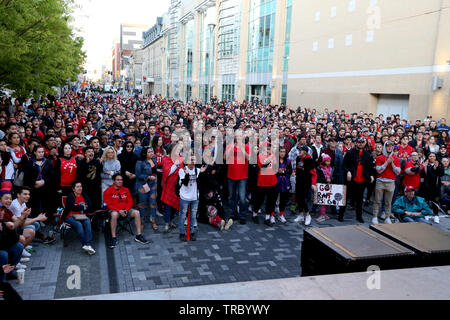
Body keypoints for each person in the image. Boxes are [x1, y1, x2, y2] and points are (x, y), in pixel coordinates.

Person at [104, 174, 149, 248]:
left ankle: (138, 235)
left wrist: (125, 210)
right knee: (114, 214)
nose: (120, 181)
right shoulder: (107, 191)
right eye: (118, 180)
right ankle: (113, 238)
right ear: (113, 181)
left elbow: (130, 202)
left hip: (125, 210)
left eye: (121, 180)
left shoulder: (126, 189)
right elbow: (108, 205)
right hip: (115, 211)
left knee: (137, 212)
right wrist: (119, 210)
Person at [342, 137, 374, 223]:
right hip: (351, 179)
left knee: (360, 199)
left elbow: (370, 167)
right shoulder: (350, 153)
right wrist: (348, 171)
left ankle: (359, 216)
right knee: (346, 197)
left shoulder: (368, 154)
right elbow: (344, 165)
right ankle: (341, 215)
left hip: (362, 180)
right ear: (356, 143)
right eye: (359, 142)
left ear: (365, 143)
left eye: (362, 142)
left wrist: (371, 175)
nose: (361, 144)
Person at [177, 154, 206, 241]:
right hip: (184, 197)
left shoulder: (197, 170)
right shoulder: (182, 170)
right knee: (182, 216)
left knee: (193, 216)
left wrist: (202, 173)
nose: (193, 162)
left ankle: (192, 232)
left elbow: (201, 183)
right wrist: (187, 175)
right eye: (191, 160)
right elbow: (185, 183)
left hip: (194, 197)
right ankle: (182, 233)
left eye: (194, 160)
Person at [62, 181, 95, 255]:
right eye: (77, 187)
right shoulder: (71, 196)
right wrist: (83, 207)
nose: (80, 188)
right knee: (78, 224)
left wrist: (78, 206)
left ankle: (89, 245)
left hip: (81, 216)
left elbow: (90, 207)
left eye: (81, 186)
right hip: (69, 216)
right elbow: (72, 208)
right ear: (73, 189)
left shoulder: (84, 195)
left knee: (87, 222)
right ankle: (85, 245)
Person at [22, 145, 55, 220]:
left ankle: (43, 219)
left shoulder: (47, 162)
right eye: (39, 152)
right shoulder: (30, 162)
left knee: (44, 204)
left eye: (42, 152)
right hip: (33, 188)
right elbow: (27, 176)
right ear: (34, 152)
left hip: (45, 187)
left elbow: (51, 175)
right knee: (34, 204)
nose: (41, 154)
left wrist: (44, 181)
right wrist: (35, 183)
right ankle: (34, 219)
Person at [225, 130, 250, 224]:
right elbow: (225, 157)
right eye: (237, 136)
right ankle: (234, 213)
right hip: (231, 175)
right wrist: (232, 146)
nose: (238, 138)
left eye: (240, 136)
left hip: (242, 176)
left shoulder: (246, 147)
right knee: (231, 196)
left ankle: (242, 215)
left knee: (242, 197)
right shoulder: (229, 146)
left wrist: (241, 148)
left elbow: (249, 158)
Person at [372, 141, 401, 225]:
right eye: (387, 146)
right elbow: (378, 170)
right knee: (377, 200)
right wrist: (386, 162)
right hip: (380, 182)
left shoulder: (396, 159)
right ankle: (375, 217)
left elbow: (398, 172)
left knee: (388, 202)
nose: (389, 148)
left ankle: (387, 217)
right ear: (385, 147)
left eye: (391, 146)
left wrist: (392, 163)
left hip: (391, 182)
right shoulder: (379, 158)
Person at [251, 141, 278, 226]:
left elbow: (275, 167)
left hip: (272, 181)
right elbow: (262, 166)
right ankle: (254, 214)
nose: (268, 148)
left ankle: (267, 217)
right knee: (259, 200)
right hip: (262, 182)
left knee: (270, 201)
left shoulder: (273, 155)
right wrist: (270, 159)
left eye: (269, 146)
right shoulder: (260, 156)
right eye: (266, 147)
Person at [161, 142, 184, 233]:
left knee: (175, 206)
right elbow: (168, 172)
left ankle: (171, 221)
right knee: (168, 206)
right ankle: (166, 223)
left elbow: (181, 170)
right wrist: (175, 164)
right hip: (169, 186)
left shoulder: (181, 158)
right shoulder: (166, 158)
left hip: (178, 186)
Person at [135, 147, 158, 231]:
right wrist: (148, 177)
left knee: (153, 203)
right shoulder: (140, 162)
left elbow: (154, 172)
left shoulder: (154, 161)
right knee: (142, 204)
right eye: (149, 152)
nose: (151, 153)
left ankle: (153, 220)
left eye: (152, 151)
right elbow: (138, 175)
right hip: (143, 184)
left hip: (153, 185)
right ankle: (142, 221)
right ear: (144, 153)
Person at [293, 145, 317, 226]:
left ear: (305, 152)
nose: (299, 151)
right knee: (298, 198)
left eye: (301, 150)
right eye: (298, 149)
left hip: (306, 182)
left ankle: (307, 215)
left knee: (303, 199)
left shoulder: (309, 160)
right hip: (298, 181)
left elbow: (314, 173)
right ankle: (300, 215)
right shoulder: (298, 158)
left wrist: (313, 184)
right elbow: (297, 167)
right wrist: (294, 172)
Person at [76, 146, 103, 211]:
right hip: (86, 188)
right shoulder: (81, 162)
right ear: (85, 154)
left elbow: (99, 173)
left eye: (92, 151)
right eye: (89, 151)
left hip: (95, 187)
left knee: (96, 205)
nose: (91, 153)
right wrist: (86, 164)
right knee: (88, 205)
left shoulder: (97, 161)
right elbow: (79, 175)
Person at [275, 146, 292, 223]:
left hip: (285, 182)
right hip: (276, 181)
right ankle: (271, 215)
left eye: (283, 152)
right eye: (281, 151)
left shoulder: (288, 161)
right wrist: (277, 171)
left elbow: (290, 171)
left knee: (283, 199)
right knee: (273, 198)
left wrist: (284, 172)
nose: (282, 153)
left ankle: (281, 215)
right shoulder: (274, 160)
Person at [315, 154, 333, 222]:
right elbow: (319, 178)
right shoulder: (320, 168)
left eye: (329, 161)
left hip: (329, 186)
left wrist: (330, 179)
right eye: (327, 161)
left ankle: (324, 214)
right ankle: (322, 215)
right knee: (323, 201)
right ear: (324, 161)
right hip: (322, 187)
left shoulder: (331, 168)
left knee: (327, 201)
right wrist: (326, 180)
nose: (329, 162)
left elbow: (332, 176)